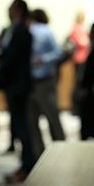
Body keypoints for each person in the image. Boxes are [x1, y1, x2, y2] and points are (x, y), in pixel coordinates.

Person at [0, 0, 35, 183]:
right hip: (15, 84)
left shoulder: (21, 31)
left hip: (18, 85)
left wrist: (0, 71)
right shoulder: (14, 30)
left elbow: (12, 57)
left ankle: (27, 165)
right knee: (19, 125)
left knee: (22, 126)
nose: (8, 11)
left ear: (18, 10)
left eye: (11, 8)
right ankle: (25, 164)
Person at [27, 9, 66, 157]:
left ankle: (61, 151)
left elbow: (59, 52)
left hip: (44, 81)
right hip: (30, 82)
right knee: (32, 121)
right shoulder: (25, 31)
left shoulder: (45, 31)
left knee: (52, 117)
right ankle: (39, 155)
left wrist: (42, 59)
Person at [67, 10, 90, 115]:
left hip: (84, 58)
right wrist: (87, 40)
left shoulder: (81, 27)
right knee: (78, 83)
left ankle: (79, 107)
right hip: (79, 58)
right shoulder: (75, 28)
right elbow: (81, 42)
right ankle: (75, 108)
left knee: (80, 83)